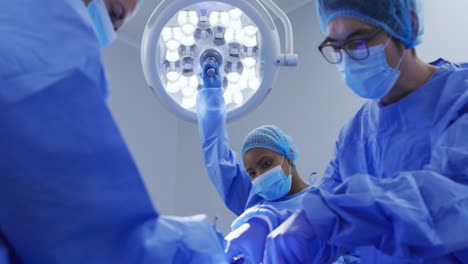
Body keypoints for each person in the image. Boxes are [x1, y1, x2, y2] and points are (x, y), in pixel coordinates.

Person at [0, 0, 227, 263]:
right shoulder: (49, 34)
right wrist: (195, 243)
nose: (110, 32)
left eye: (118, 26)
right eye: (114, 14)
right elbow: (91, 237)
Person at [262, 0, 468, 263]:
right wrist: (268, 223)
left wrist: (325, 216)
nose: (347, 57)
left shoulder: (460, 99)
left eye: (358, 42)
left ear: (408, 25)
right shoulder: (354, 135)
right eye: (336, 47)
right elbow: (325, 204)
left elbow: (448, 199)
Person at [197, 61, 359, 263]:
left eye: (266, 164)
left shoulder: (327, 204)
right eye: (252, 173)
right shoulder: (254, 201)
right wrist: (211, 97)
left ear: (288, 154)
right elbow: (217, 158)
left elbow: (360, 255)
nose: (260, 176)